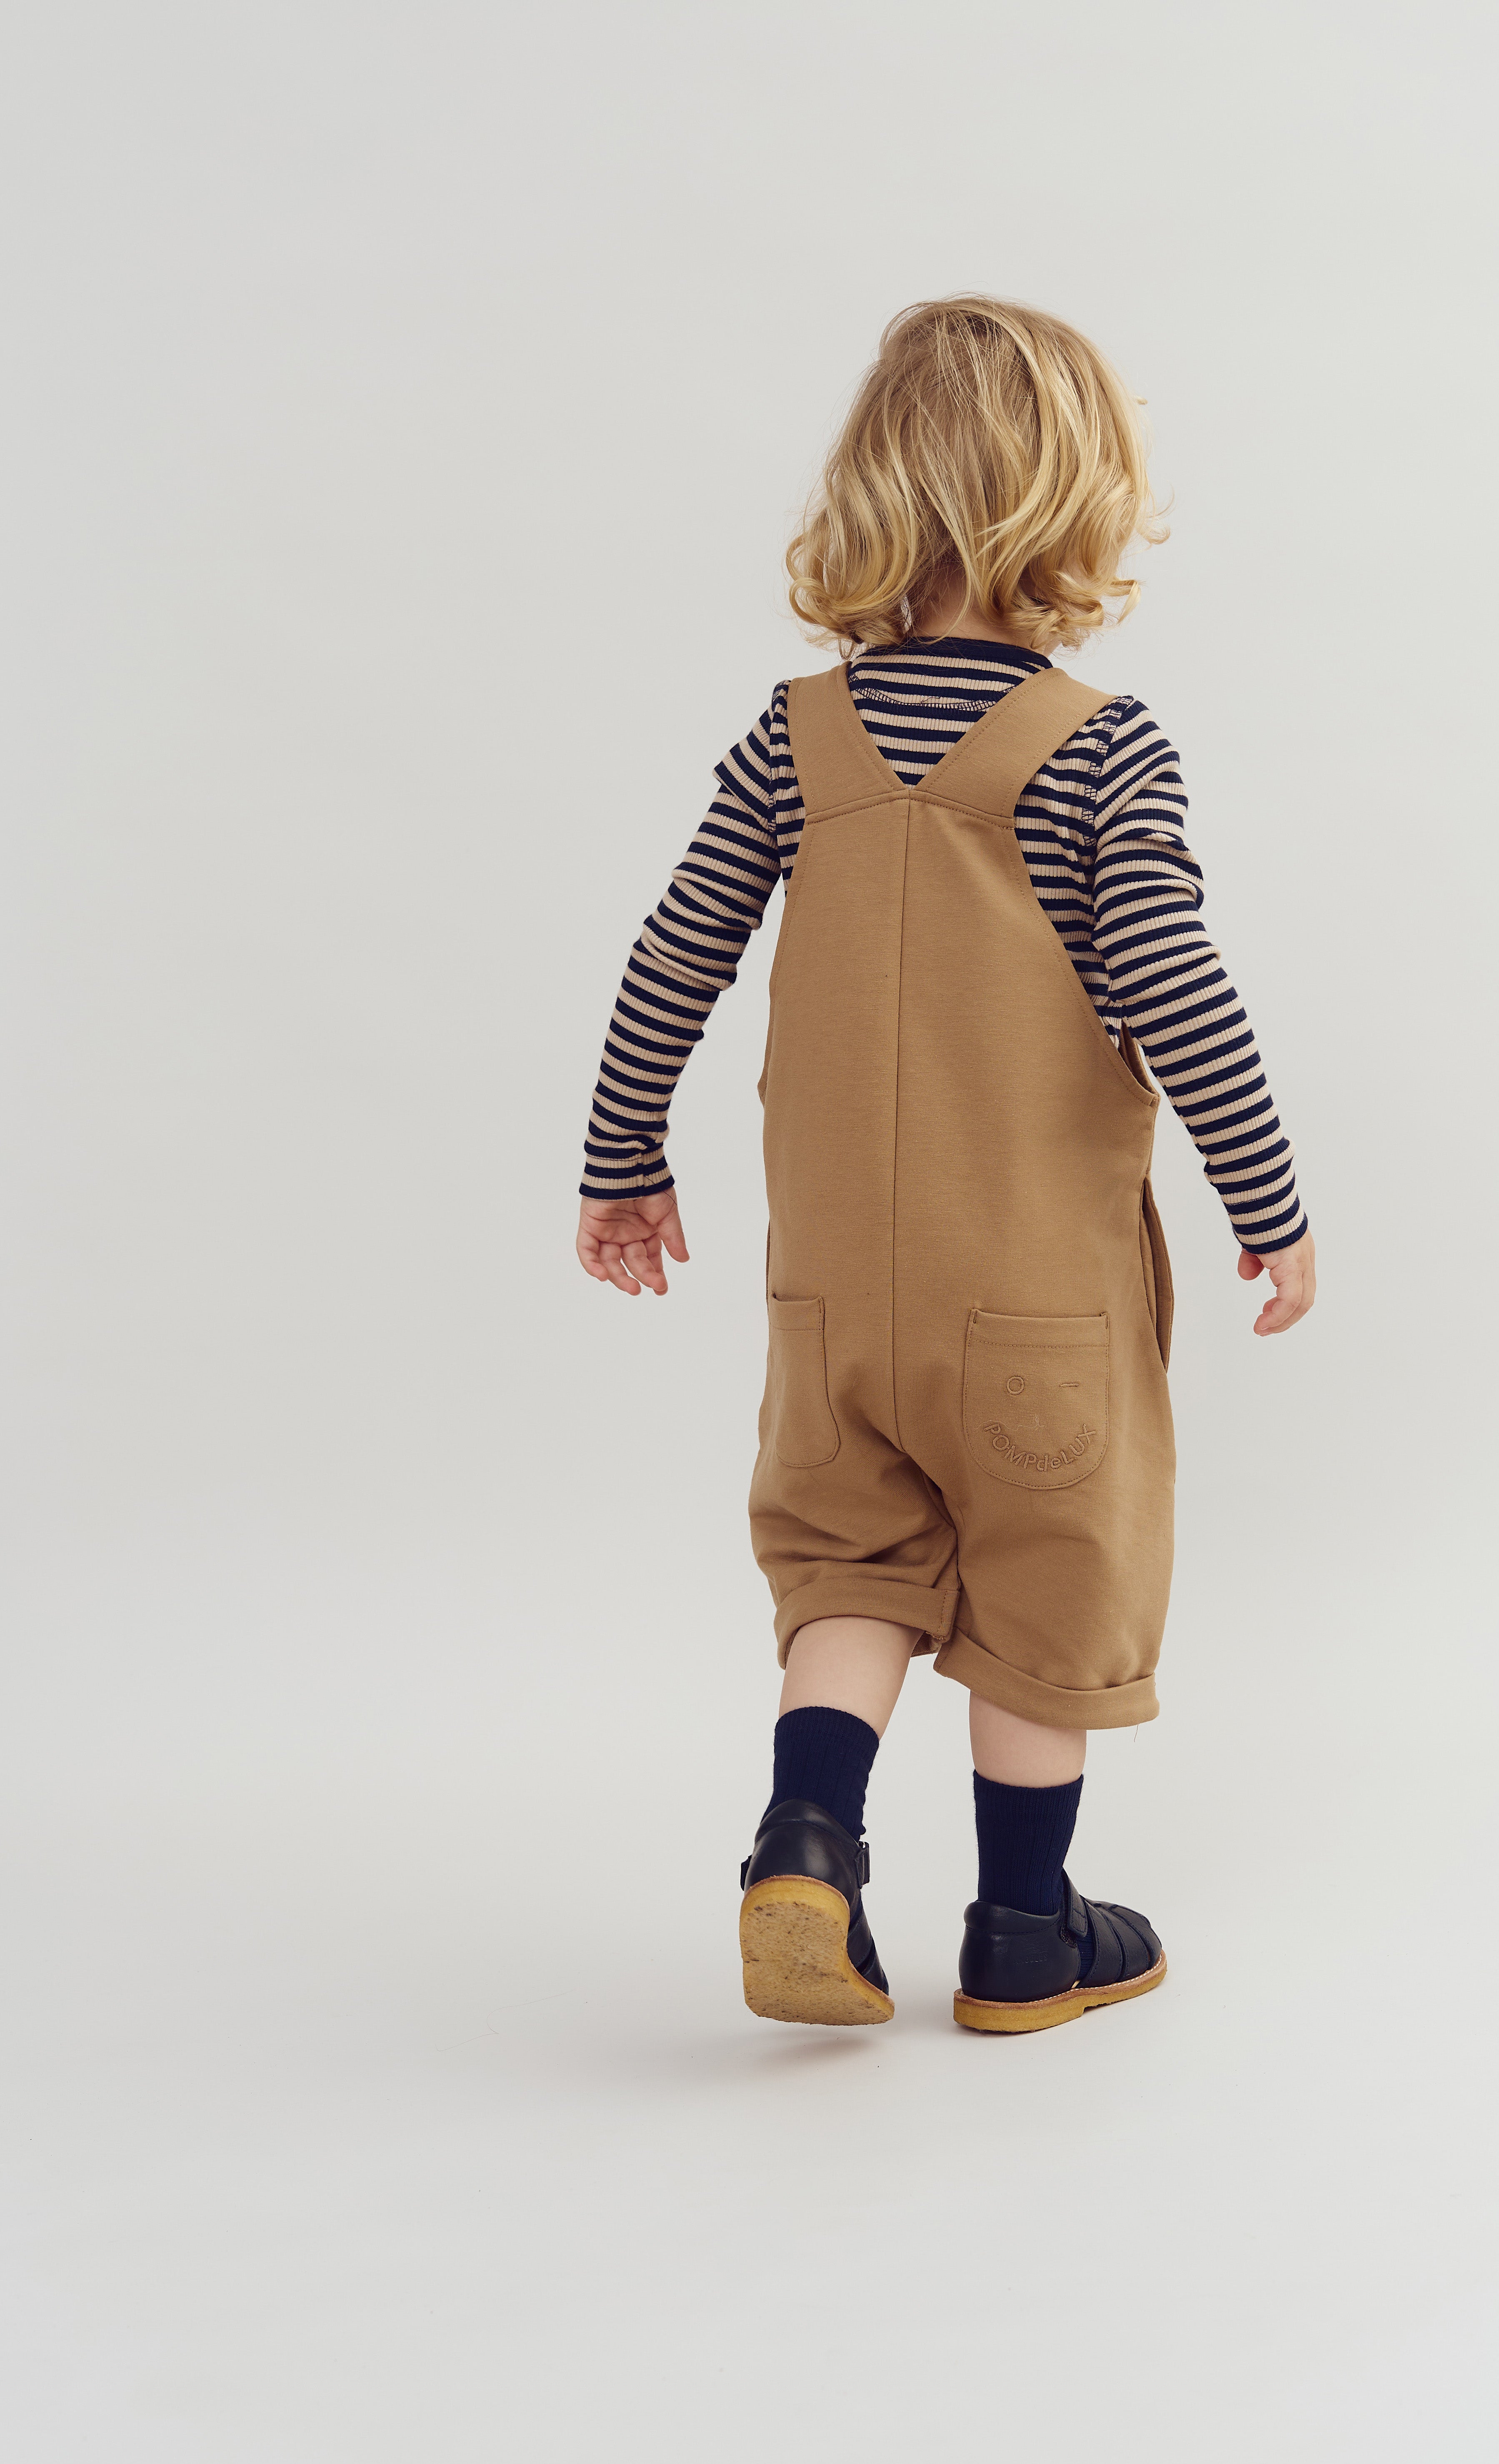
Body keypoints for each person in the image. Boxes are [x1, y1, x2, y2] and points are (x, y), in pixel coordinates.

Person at [575, 297, 1315, 2035]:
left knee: (847, 1564)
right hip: (1038, 1307)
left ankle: (806, 1844)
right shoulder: (1097, 748)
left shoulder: (795, 741)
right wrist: (1267, 1201)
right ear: (1077, 499)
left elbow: (675, 950)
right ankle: (1026, 1934)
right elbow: (1175, 983)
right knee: (1046, 1583)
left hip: (834, 1302)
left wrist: (624, 1159)